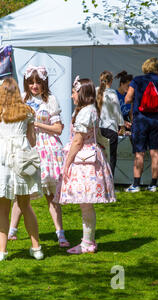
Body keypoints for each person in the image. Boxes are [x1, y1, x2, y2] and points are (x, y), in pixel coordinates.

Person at [0, 65, 70, 248]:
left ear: (44, 83)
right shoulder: (22, 100)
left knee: (51, 195)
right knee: (21, 192)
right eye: (31, 82)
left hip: (47, 150)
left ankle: (60, 234)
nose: (35, 86)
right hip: (26, 148)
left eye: (38, 82)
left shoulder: (50, 100)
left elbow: (58, 129)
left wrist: (37, 125)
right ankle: (11, 231)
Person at [0, 78, 44, 261]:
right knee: (25, 205)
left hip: (1, 159)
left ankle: (2, 251)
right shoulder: (27, 112)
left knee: (3, 207)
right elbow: (32, 140)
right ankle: (37, 248)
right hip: (22, 157)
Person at [54, 76, 116, 254]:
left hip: (85, 161)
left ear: (80, 93)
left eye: (74, 92)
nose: (72, 96)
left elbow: (78, 140)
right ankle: (87, 241)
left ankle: (87, 243)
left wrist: (67, 163)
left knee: (86, 203)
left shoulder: (86, 112)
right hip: (88, 158)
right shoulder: (89, 110)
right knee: (85, 204)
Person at [124, 58, 158, 193]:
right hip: (156, 121)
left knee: (139, 153)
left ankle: (136, 185)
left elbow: (128, 99)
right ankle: (153, 185)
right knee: (155, 152)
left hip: (140, 120)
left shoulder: (136, 80)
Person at [97, 70, 125, 176]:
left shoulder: (95, 91)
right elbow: (117, 111)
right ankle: (110, 182)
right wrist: (122, 125)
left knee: (99, 156)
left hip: (98, 128)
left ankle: (99, 180)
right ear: (111, 81)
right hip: (110, 129)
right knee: (111, 157)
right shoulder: (112, 93)